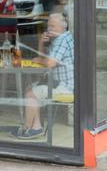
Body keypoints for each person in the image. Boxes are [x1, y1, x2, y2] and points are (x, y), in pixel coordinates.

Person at [16, 12, 74, 140]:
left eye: (53, 26)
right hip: (58, 83)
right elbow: (43, 58)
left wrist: (39, 61)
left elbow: (49, 63)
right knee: (29, 89)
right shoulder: (60, 38)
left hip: (66, 87)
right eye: (49, 26)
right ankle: (36, 128)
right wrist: (41, 42)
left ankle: (26, 127)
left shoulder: (62, 40)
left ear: (63, 27)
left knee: (30, 94)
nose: (49, 29)